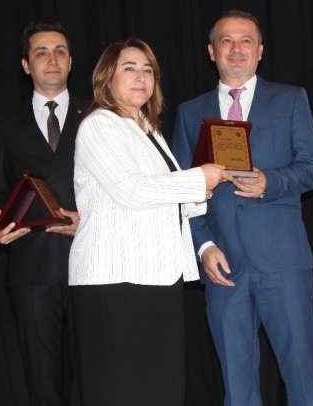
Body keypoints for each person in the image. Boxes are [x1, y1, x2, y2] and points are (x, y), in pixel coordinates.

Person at [172, 10, 313, 406]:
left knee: (303, 379)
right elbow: (183, 190)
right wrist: (204, 247)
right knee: (237, 387)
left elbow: (312, 169)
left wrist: (270, 181)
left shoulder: (291, 99)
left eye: (245, 41)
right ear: (212, 51)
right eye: (226, 41)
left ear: (260, 51)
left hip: (284, 261)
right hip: (223, 265)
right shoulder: (190, 113)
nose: (236, 48)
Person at [69, 38, 231, 406]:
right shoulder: (99, 125)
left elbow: (164, 198)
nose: (141, 77)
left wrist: (200, 191)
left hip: (156, 275)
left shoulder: (147, 128)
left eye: (148, 70)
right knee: (120, 391)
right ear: (106, 78)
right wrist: (197, 179)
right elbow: (130, 191)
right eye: (129, 68)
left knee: (160, 389)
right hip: (115, 279)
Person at [0, 20, 89, 405]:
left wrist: (90, 222)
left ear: (71, 61)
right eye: (41, 52)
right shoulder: (6, 124)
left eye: (60, 51)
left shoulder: (97, 115)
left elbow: (116, 191)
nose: (52, 59)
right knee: (42, 384)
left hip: (91, 262)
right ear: (26, 65)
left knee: (92, 378)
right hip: (32, 269)